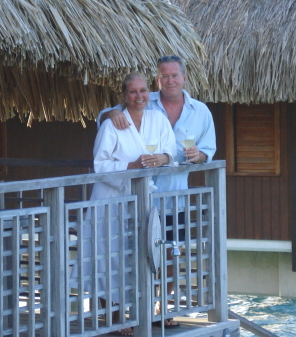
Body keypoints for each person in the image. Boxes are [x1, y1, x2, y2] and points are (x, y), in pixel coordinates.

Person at [98, 55, 217, 328]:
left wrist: (198, 155)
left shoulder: (201, 112)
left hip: (174, 197)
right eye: (164, 76)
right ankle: (123, 313)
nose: (169, 80)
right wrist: (109, 113)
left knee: (171, 253)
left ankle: (161, 307)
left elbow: (208, 153)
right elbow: (108, 117)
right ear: (157, 79)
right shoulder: (143, 99)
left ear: (184, 78)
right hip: (137, 199)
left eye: (174, 75)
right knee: (128, 253)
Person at [86, 72, 176, 336]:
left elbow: (171, 149)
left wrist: (163, 157)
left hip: (142, 199)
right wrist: (131, 166)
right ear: (124, 96)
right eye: (133, 92)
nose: (140, 96)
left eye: (144, 91)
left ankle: (139, 313)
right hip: (110, 199)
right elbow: (99, 166)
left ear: (150, 92)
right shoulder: (113, 123)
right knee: (107, 258)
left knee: (139, 256)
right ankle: (113, 318)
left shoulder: (158, 119)